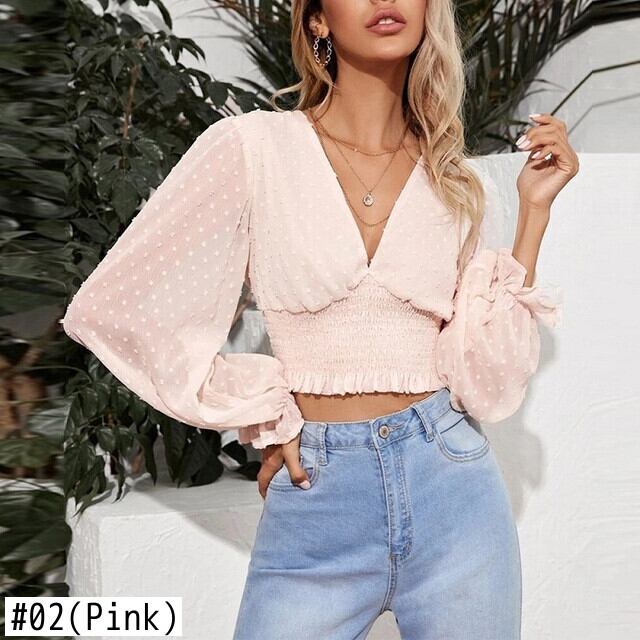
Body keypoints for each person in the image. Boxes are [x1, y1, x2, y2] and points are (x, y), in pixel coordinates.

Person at [60, 0, 579, 638]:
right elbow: (121, 305)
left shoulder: (457, 181)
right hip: (317, 494)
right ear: (317, 20)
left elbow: (485, 383)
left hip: (454, 489)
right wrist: (264, 411)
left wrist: (533, 214)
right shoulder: (253, 148)